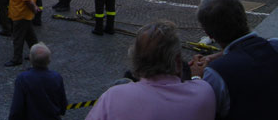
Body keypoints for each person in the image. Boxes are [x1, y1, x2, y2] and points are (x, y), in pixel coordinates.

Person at [86, 21, 216, 120]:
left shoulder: (113, 97)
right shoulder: (204, 92)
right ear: (177, 61)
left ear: (136, 60)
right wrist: (196, 77)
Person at [189, 0, 278, 119]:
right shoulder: (274, 46)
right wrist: (219, 56)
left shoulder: (216, 73)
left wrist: (196, 78)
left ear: (209, 34)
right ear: (244, 16)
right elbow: (249, 50)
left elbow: (199, 110)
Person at [9, 43, 67, 120]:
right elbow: (63, 104)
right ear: (49, 60)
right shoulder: (56, 77)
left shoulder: (23, 79)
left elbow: (17, 108)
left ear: (30, 58)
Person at [5, 0, 40, 67]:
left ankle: (17, 58)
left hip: (21, 14)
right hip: (25, 14)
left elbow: (27, 0)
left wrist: (34, 8)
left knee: (18, 38)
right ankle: (36, 54)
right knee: (30, 37)